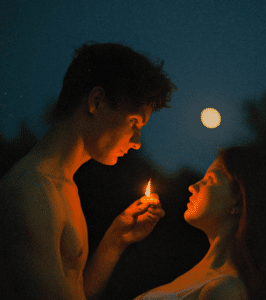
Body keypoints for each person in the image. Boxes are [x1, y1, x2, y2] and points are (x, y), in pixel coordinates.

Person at [0, 42, 176, 300]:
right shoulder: (29, 190)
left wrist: (115, 240)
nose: (137, 141)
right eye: (134, 122)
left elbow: (76, 291)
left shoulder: (63, 186)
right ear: (96, 101)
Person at [134, 145, 266, 300]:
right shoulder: (200, 274)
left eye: (210, 179)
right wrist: (118, 239)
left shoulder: (225, 289)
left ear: (238, 200)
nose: (193, 187)